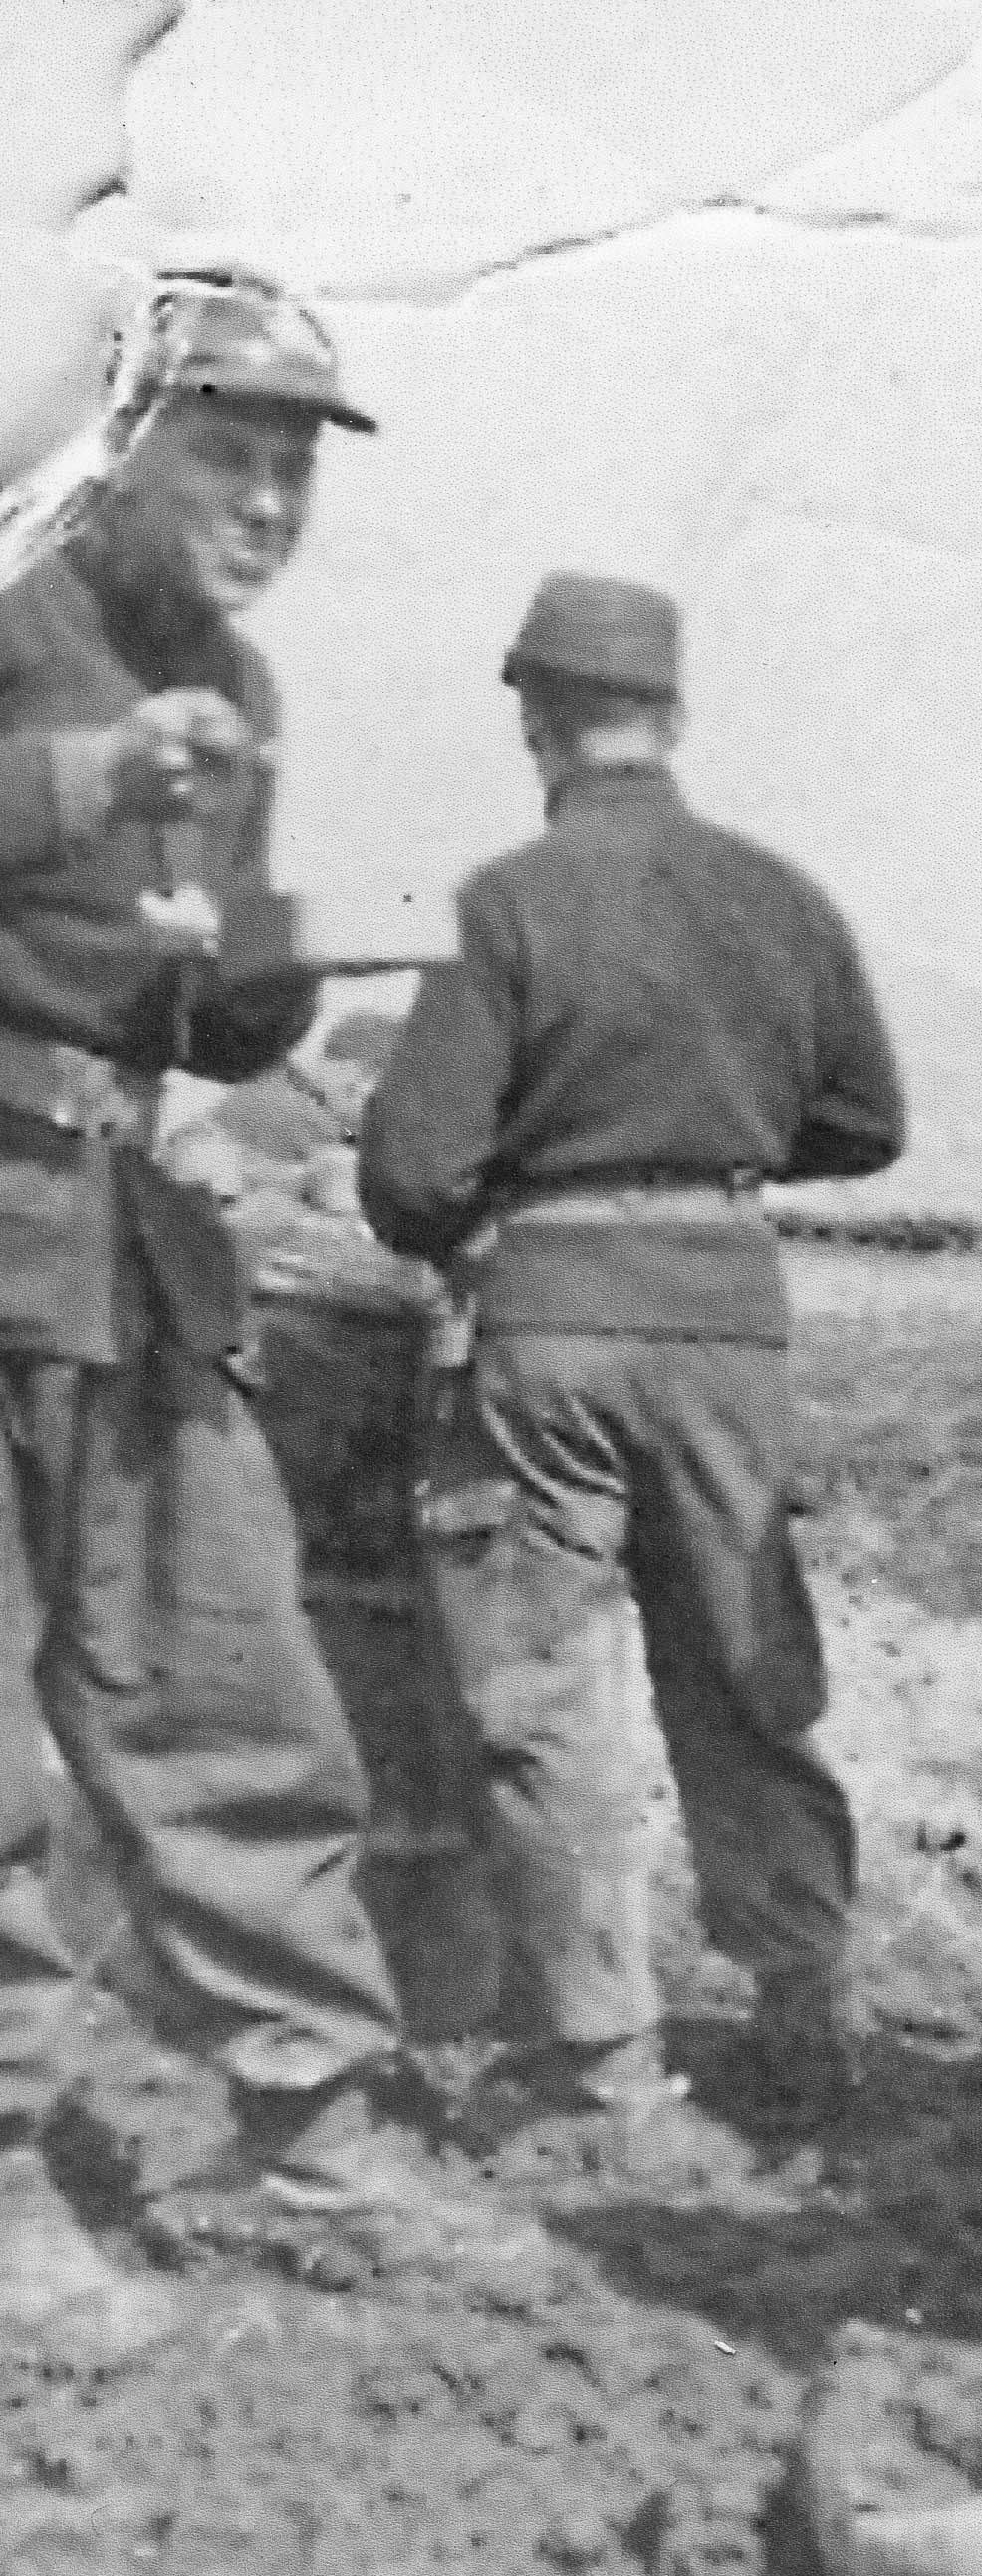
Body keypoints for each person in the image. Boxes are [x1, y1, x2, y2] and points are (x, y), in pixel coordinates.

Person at [0, 266, 530, 2353]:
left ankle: (302, 2123)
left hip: (122, 1230)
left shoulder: (248, 694)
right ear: (115, 439)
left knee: (225, 1668)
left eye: (298, 458)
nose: (270, 495)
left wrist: (296, 963)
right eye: (231, 444)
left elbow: (199, 1004)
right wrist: (82, 780)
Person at [359, 574, 905, 2142]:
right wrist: (712, 1146)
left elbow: (411, 1175)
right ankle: (804, 2007)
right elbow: (869, 1125)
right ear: (673, 716)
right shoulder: (781, 898)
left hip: (550, 1325)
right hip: (730, 1315)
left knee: (549, 1693)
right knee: (746, 1666)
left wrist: (545, 1171)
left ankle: (601, 2057)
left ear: (535, 716)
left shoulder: (508, 902)